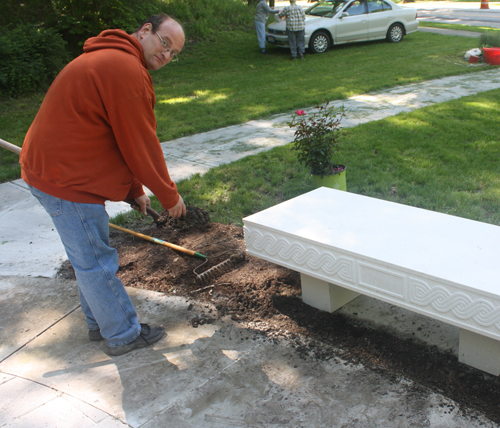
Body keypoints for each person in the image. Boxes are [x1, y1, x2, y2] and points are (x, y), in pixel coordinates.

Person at [20, 14, 186, 357]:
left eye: (174, 54)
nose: (167, 56)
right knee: (95, 260)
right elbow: (141, 142)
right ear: (145, 31)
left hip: (61, 172)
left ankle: (100, 321)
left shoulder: (111, 59)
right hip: (66, 180)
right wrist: (169, 195)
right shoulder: (124, 69)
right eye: (165, 43)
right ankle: (123, 333)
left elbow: (114, 137)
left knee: (88, 254)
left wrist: (133, 189)